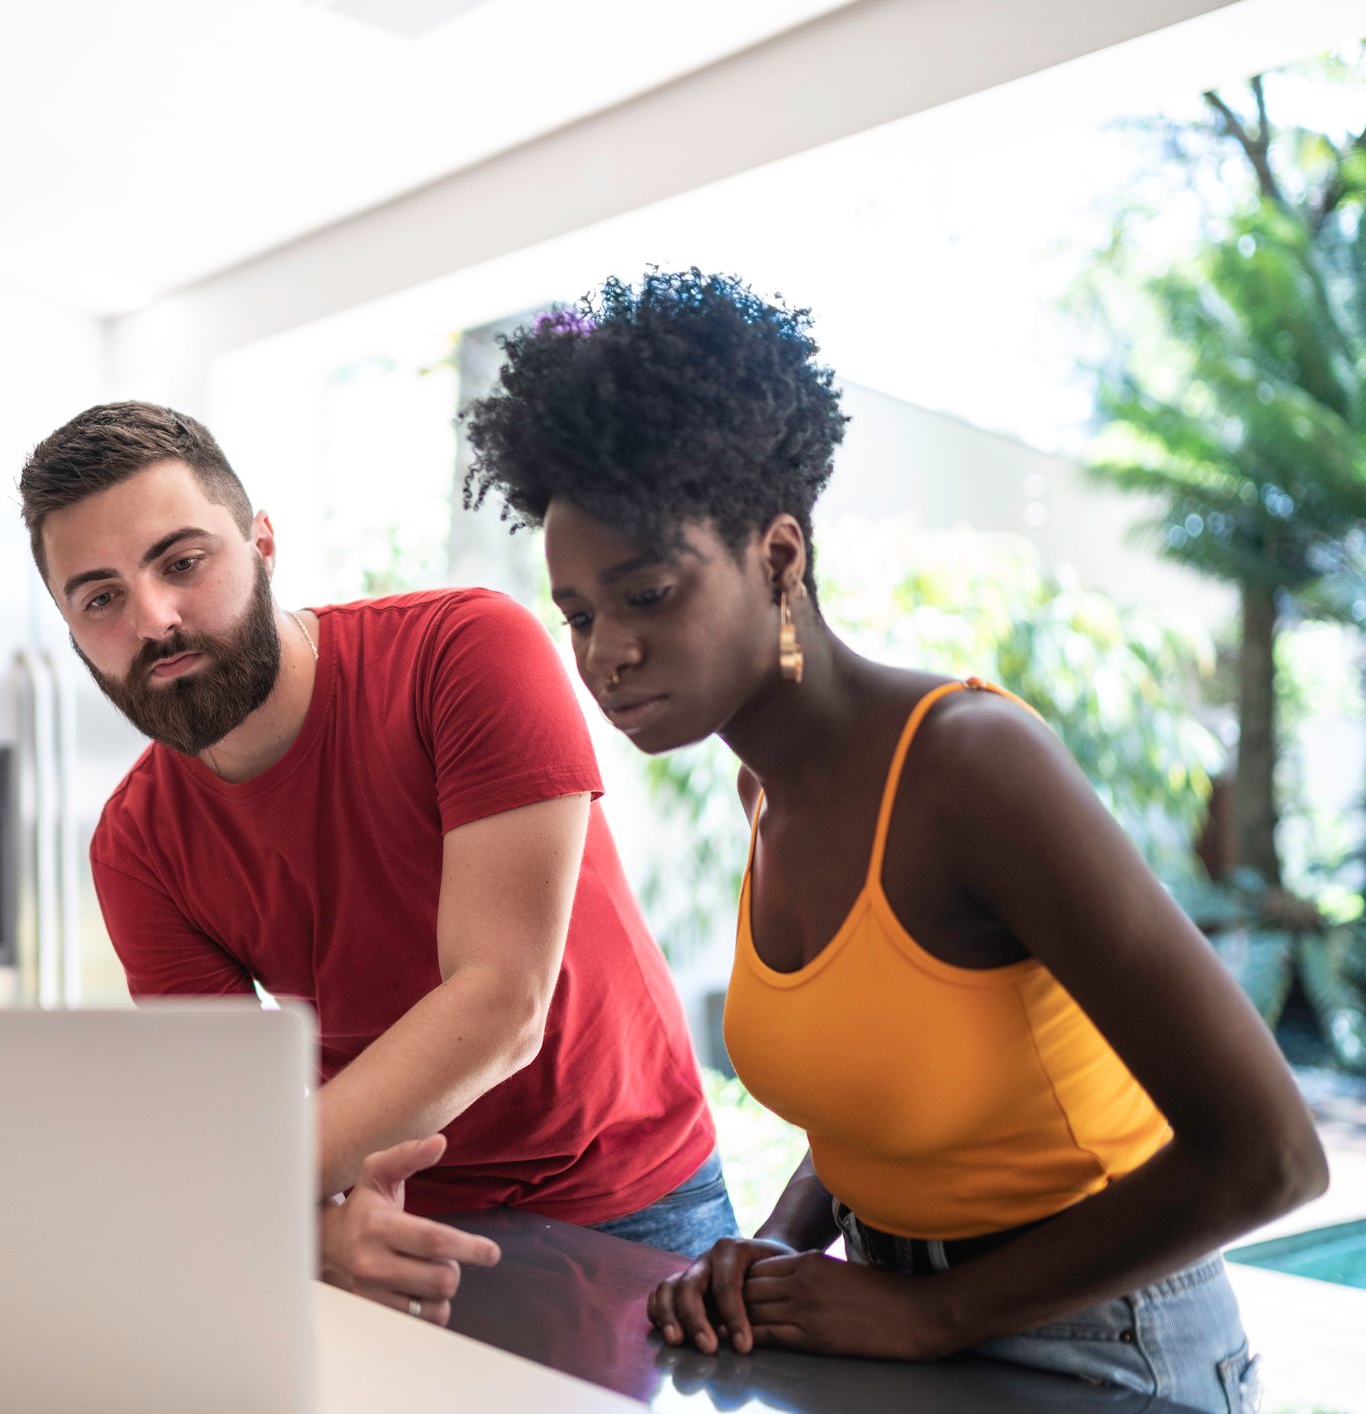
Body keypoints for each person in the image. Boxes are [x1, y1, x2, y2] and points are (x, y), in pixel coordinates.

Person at [461, 268, 1328, 1410]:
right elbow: (884, 1081)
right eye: (576, 613)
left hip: (1102, 1340)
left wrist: (935, 1315)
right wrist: (779, 1242)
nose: (603, 651)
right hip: (886, 1313)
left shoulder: (971, 767)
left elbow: (1270, 1156)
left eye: (650, 594)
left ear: (777, 557)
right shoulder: (763, 792)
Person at [16, 402, 728, 1324]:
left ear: (262, 544)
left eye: (184, 563)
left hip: (632, 1203)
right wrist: (310, 1229)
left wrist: (251, 1200)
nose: (155, 619)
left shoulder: (462, 650)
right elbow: (228, 1108)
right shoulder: (136, 846)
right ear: (72, 630)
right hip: (378, 1224)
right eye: (101, 597)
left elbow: (504, 1001)